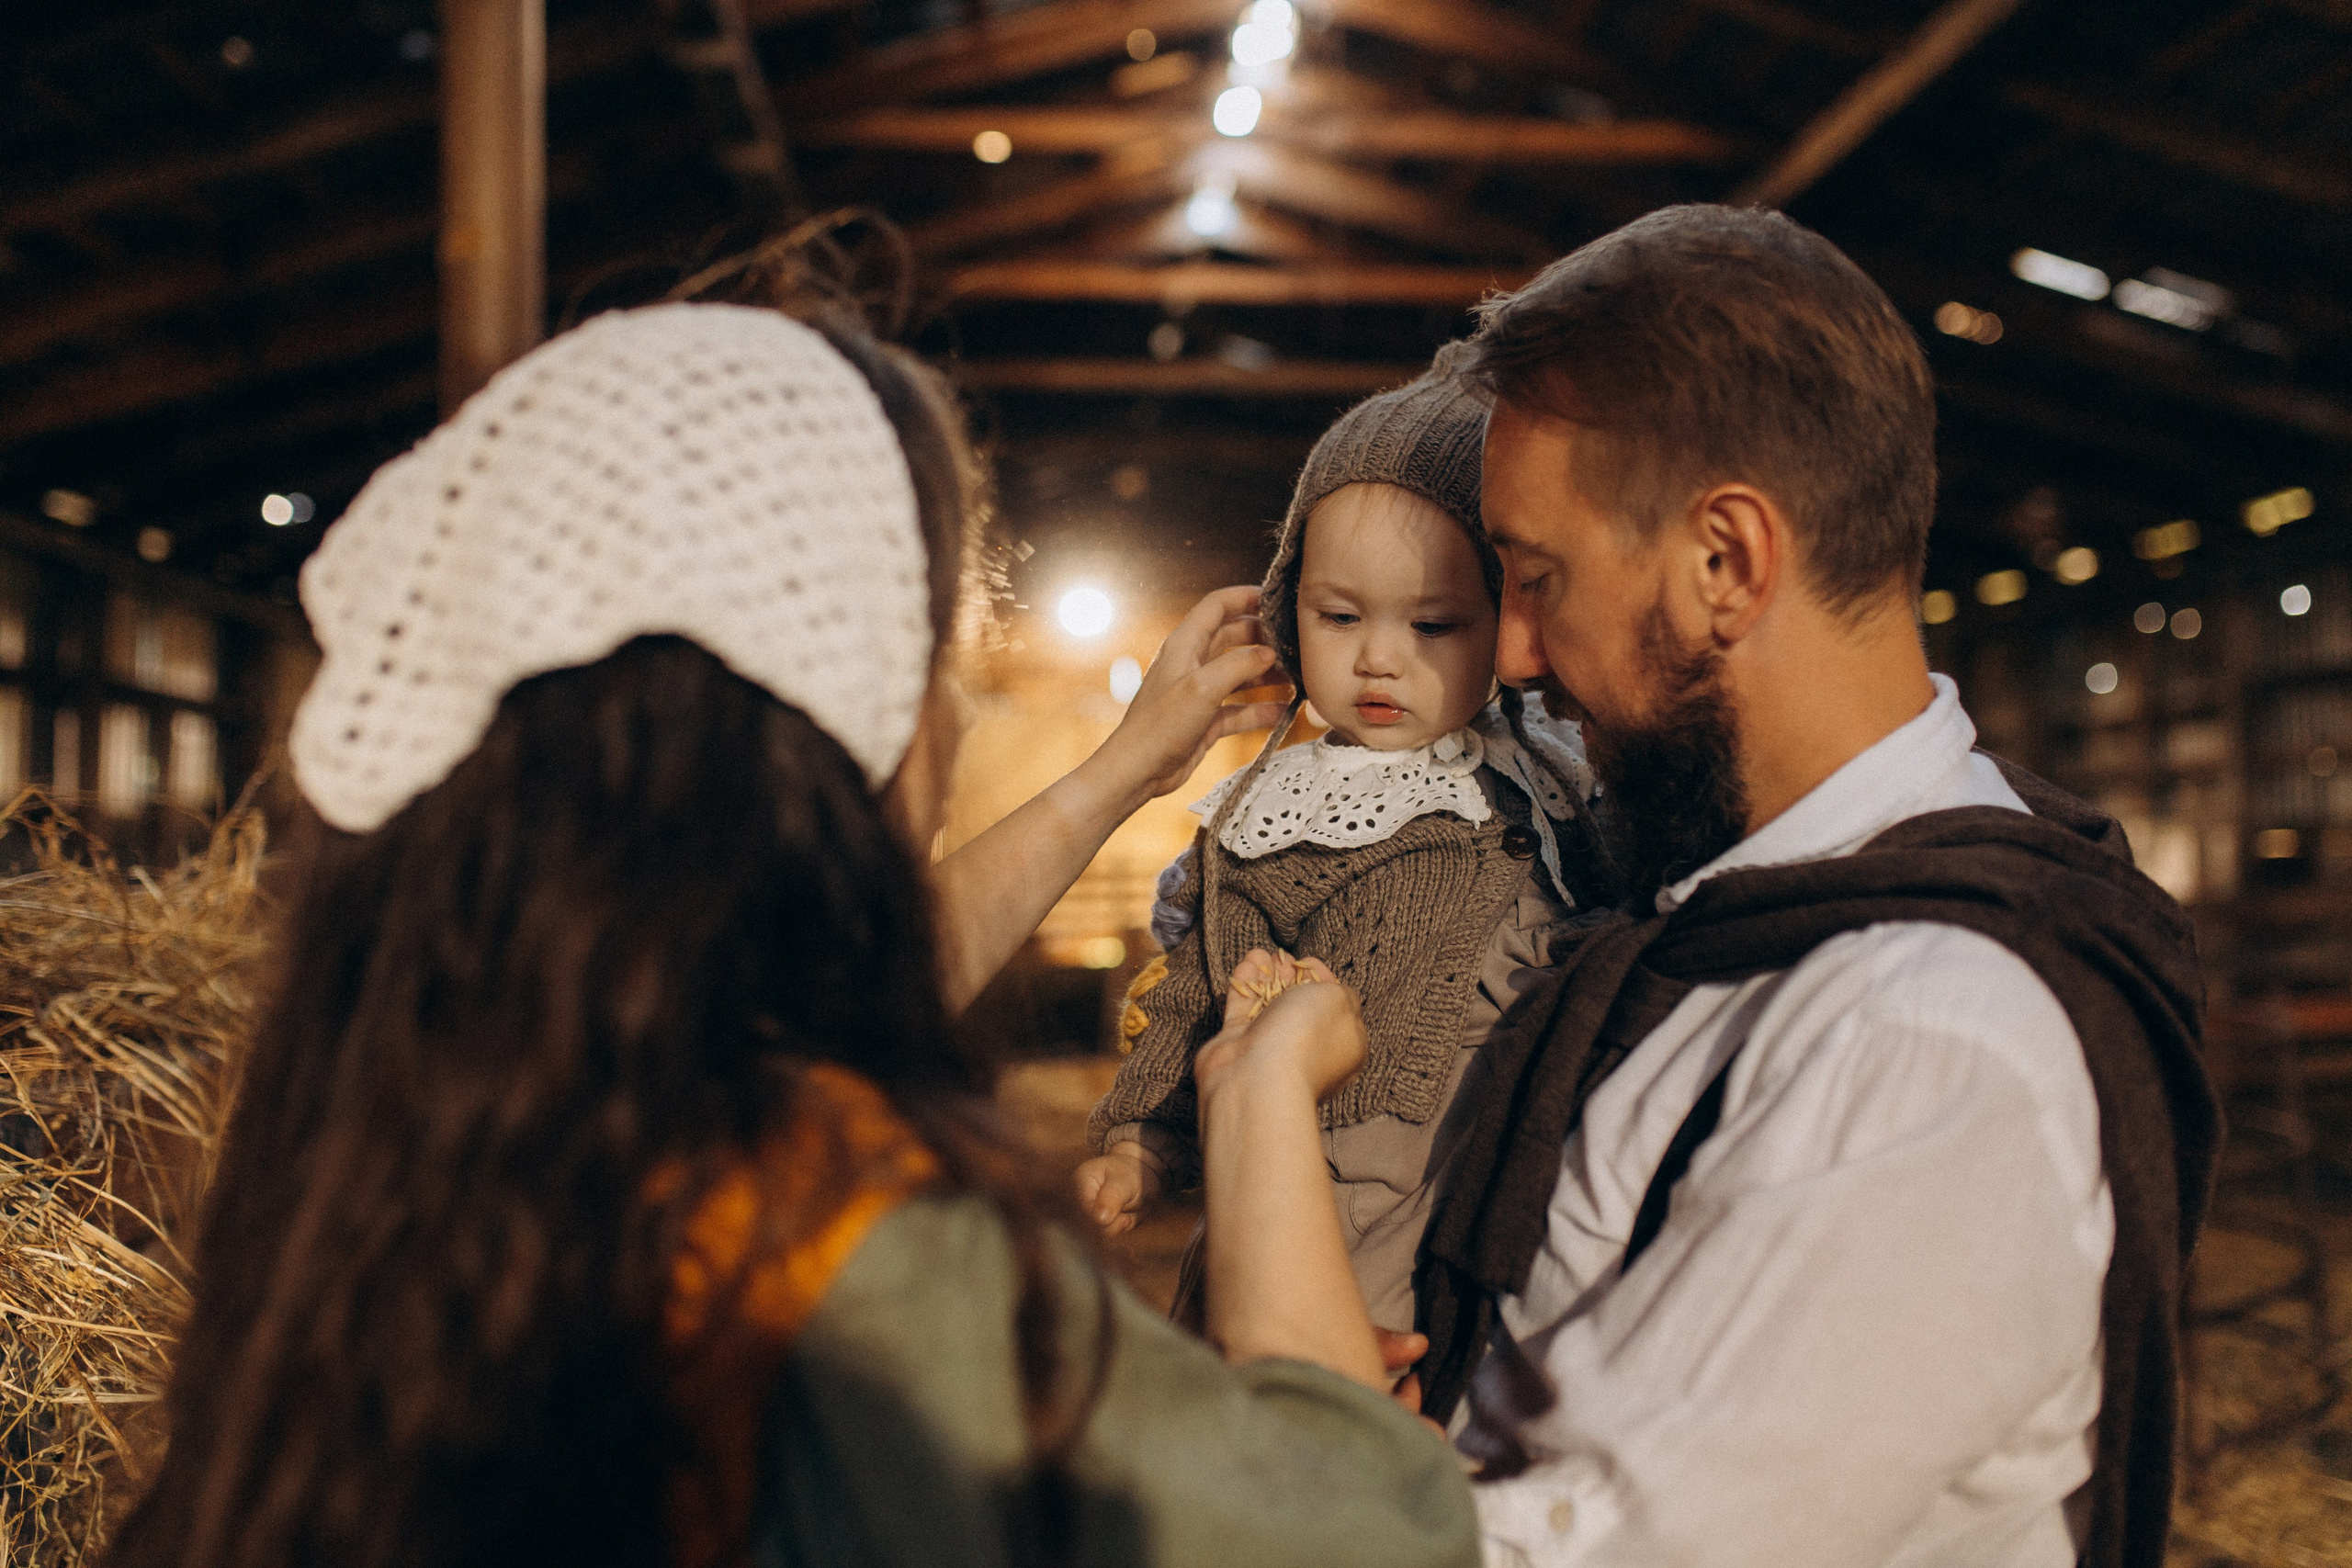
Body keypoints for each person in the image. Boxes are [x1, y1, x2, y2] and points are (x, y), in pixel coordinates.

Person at [104, 302, 1476, 1568]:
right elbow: (1355, 1539)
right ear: (835, 728)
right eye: (935, 654)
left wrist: (1121, 767)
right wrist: (1257, 1104)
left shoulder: (409, 1104)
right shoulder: (828, 1211)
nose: (954, 717)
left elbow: (780, 993)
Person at [1216, 206, 2219, 1568]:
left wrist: (1257, 1102)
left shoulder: (1916, 1041)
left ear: (1727, 563)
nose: (1510, 650)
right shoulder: (1726, 922)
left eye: (1540, 575)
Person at [1074, 362, 1607, 1335]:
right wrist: (1138, 1147)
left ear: (1505, 622)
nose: (1377, 658)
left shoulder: (1566, 777)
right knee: (1293, 1395)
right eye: (1339, 617)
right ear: (1289, 608)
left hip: (1499, 1203)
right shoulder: (1273, 815)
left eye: (1433, 624)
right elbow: (1195, 991)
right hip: (1325, 1192)